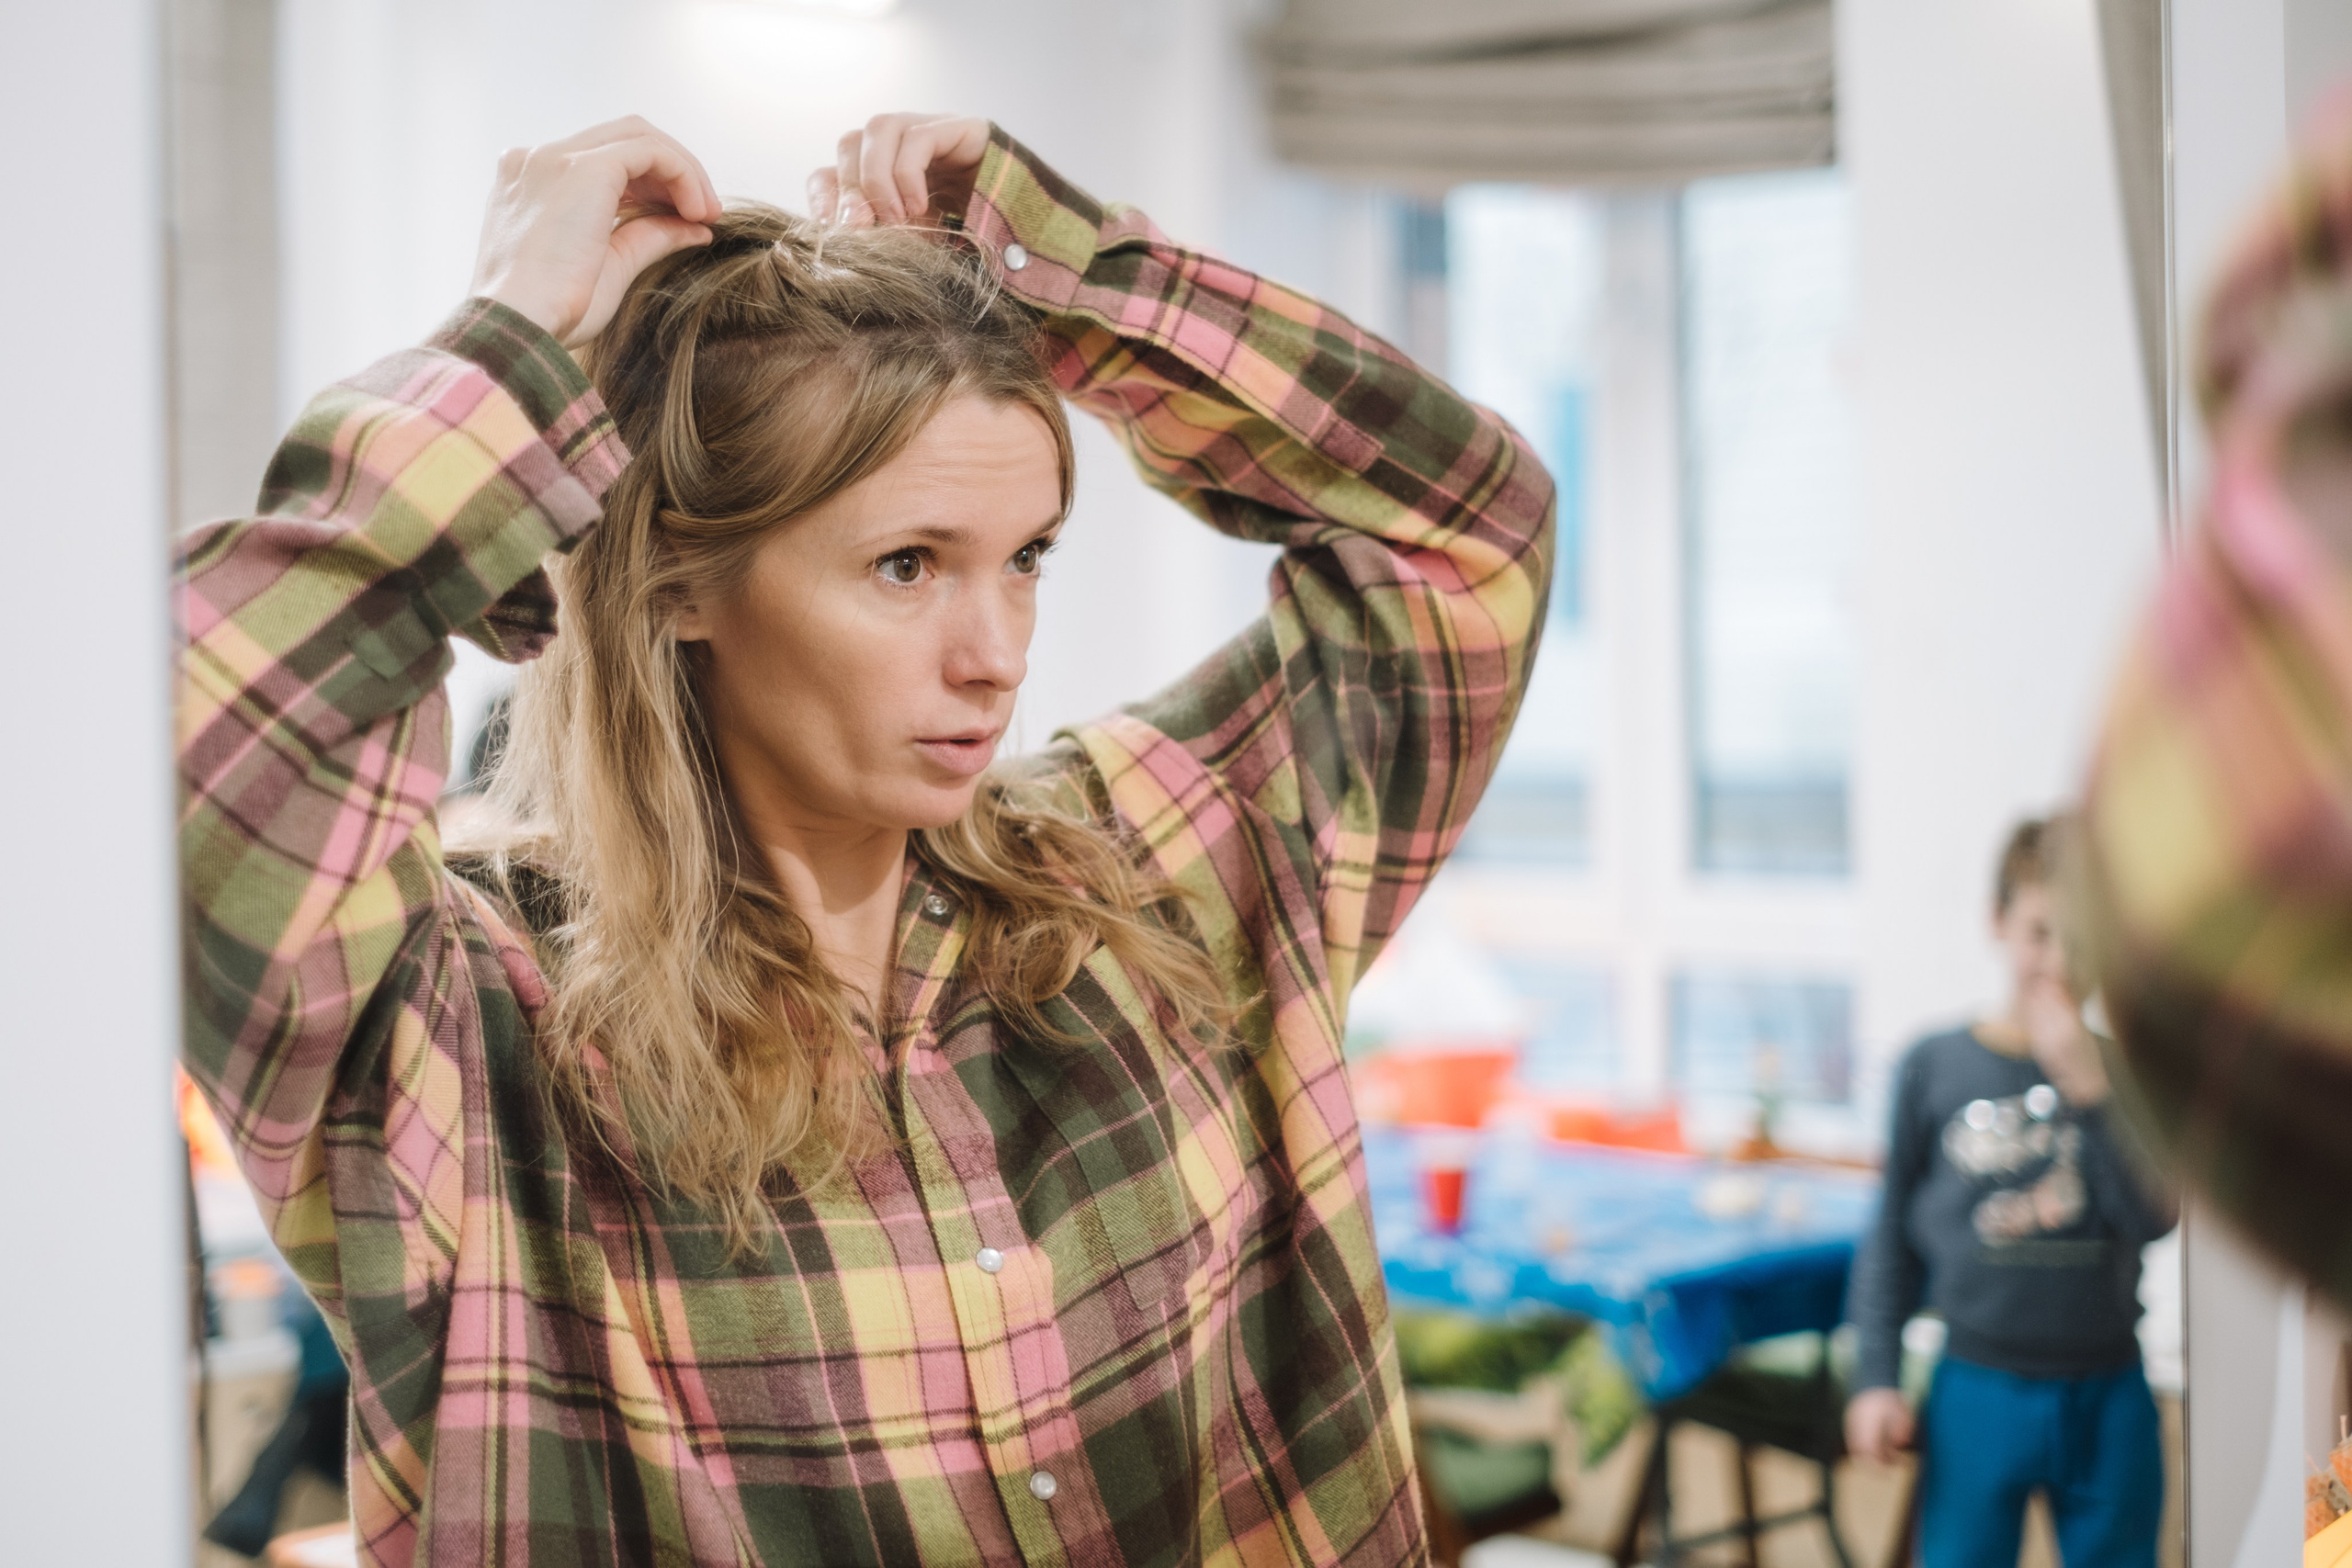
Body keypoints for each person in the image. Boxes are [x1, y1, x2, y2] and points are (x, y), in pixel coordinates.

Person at [175, 112, 1553, 1566]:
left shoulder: (1151, 873)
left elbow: (1468, 538)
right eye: (907, 565)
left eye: (1023, 558)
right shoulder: (467, 1040)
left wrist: (1071, 281)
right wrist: (516, 338)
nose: (998, 654)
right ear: (682, 585)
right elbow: (208, 744)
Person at [1844, 818, 2177, 1568]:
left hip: (2109, 1388)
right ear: (1998, 923)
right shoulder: (1935, 1067)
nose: (2061, 960)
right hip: (1975, 1387)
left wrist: (2092, 1090)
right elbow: (1890, 1233)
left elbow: (2156, 1218)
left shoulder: (2127, 1074)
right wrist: (1875, 1377)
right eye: (2040, 932)